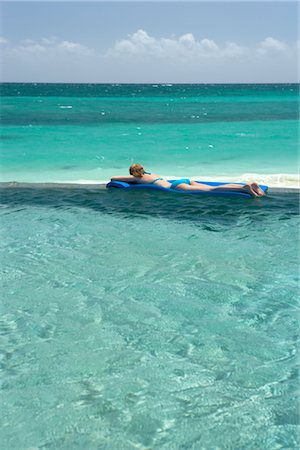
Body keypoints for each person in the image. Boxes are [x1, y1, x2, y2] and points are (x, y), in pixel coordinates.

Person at [110, 163, 265, 197]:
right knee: (215, 186)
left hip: (178, 186)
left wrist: (130, 177)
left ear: (133, 172)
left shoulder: (137, 178)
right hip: (184, 180)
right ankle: (244, 185)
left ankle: (244, 189)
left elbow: (114, 178)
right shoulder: (152, 173)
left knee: (212, 190)